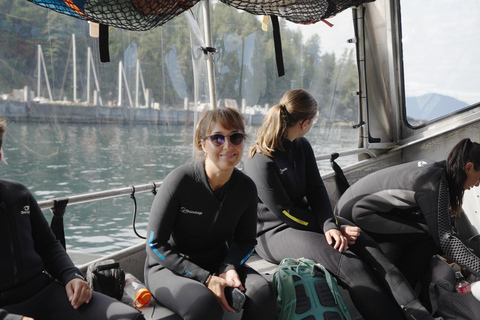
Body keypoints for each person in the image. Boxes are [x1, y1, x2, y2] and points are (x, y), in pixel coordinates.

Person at [243, 89, 434, 320]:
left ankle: (419, 315)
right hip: (273, 232)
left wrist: (330, 224)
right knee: (350, 263)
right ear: (305, 122)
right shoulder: (260, 159)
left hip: (307, 217)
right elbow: (286, 213)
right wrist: (330, 227)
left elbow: (316, 190)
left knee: (370, 249)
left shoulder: (302, 146)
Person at [0, 116, 145, 320]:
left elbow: (49, 246)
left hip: (44, 293)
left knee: (128, 317)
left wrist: (72, 275)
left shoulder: (19, 195)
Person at [144, 107, 276, 320]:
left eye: (236, 137)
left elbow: (245, 241)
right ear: (203, 144)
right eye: (218, 138)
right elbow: (154, 244)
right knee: (204, 305)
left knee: (263, 294)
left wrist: (229, 267)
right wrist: (205, 279)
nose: (228, 145)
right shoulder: (180, 181)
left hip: (217, 262)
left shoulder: (246, 188)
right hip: (168, 267)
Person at [335, 138, 480, 288]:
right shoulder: (432, 184)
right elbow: (446, 239)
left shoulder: (438, 170)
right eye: (479, 177)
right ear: (468, 167)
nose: (478, 184)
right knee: (429, 236)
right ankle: (403, 290)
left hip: (358, 204)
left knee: (431, 229)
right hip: (356, 213)